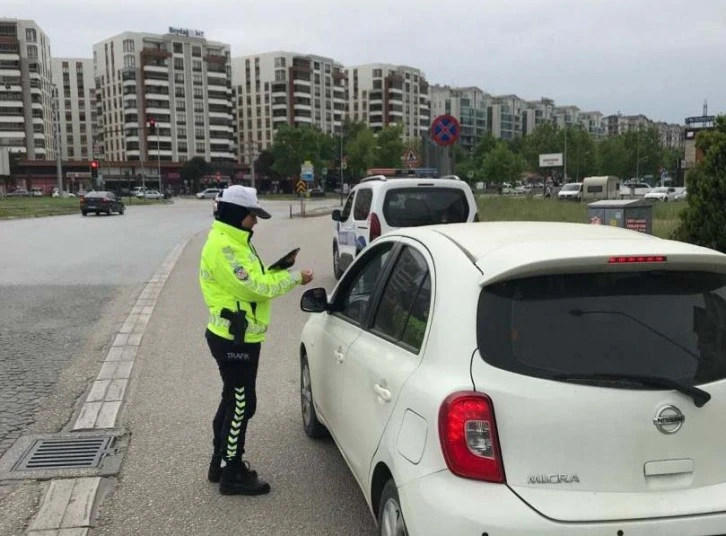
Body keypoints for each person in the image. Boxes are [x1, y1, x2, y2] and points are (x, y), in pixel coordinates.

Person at [199, 185, 314, 495]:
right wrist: (294, 278)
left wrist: (276, 270)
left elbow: (254, 279)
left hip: (239, 337)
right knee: (241, 404)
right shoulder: (224, 247)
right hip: (233, 340)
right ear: (238, 215)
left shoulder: (236, 241)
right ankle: (232, 473)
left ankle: (220, 464)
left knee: (232, 400)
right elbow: (255, 288)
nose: (256, 222)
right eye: (253, 216)